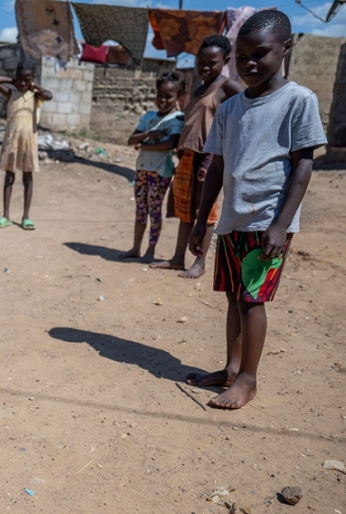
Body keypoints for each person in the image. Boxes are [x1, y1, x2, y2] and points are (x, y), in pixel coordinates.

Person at [186, 10, 327, 409]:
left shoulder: (298, 100)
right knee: (233, 296)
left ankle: (248, 379)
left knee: (252, 298)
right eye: (241, 56)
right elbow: (215, 165)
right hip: (233, 219)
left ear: (286, 48)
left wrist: (282, 225)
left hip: (269, 220)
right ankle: (232, 370)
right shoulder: (230, 108)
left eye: (259, 54)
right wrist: (202, 222)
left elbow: (304, 163)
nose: (248, 63)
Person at [151, 35, 243, 278]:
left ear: (225, 61)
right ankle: (178, 258)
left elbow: (247, 116)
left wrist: (221, 154)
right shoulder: (199, 87)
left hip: (208, 158)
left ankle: (199, 262)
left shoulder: (228, 87)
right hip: (188, 157)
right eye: (200, 61)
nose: (204, 67)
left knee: (206, 213)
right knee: (185, 211)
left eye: (211, 62)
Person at [120, 71, 186, 262]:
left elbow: (171, 144)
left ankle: (150, 250)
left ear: (178, 97)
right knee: (141, 210)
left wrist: (145, 144)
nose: (163, 100)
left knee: (154, 211)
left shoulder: (177, 119)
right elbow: (131, 139)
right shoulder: (149, 116)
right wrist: (148, 133)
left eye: (168, 96)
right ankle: (136, 247)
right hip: (142, 168)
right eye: (159, 95)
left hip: (160, 171)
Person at [0, 58, 53, 230]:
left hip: (28, 142)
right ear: (16, 77)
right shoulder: (11, 94)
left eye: (28, 79)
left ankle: (26, 216)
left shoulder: (36, 96)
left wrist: (35, 86)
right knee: (9, 177)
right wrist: (13, 81)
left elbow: (49, 95)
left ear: (33, 79)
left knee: (28, 177)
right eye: (21, 79)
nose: (24, 83)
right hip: (12, 140)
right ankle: (6, 215)